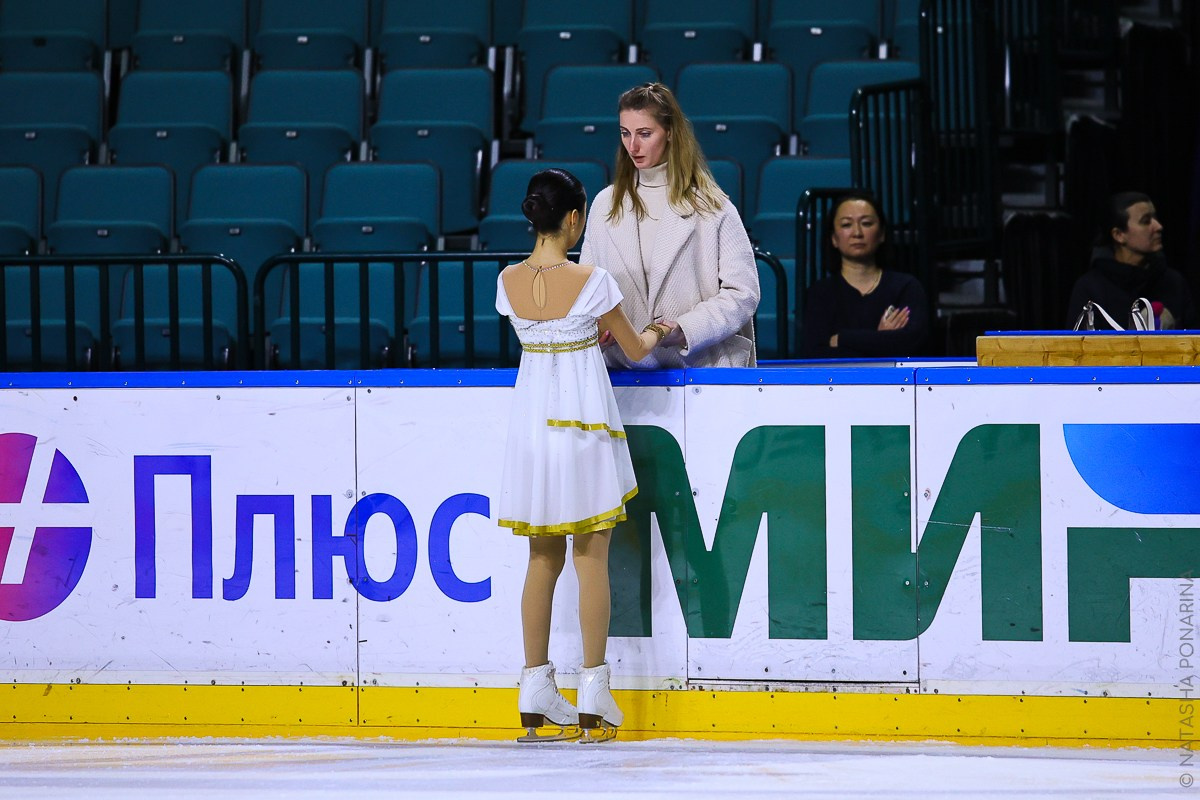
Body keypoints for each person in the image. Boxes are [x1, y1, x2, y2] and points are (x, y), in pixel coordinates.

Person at [495, 168, 677, 743]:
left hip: (533, 431)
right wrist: (659, 329)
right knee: (591, 557)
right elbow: (637, 349)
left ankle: (534, 687)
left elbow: (547, 335)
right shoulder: (594, 280)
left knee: (540, 558)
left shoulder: (506, 281)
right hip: (581, 428)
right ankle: (594, 691)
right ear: (574, 219)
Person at [579, 82, 760, 368]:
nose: (633, 146)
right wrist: (598, 328)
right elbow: (589, 291)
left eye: (644, 134)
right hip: (626, 373)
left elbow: (743, 293)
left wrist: (685, 329)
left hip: (701, 369)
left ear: (671, 133)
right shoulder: (605, 205)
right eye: (625, 133)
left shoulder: (712, 206)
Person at [800, 191, 928, 358]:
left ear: (882, 234)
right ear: (833, 238)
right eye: (846, 225)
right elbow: (815, 354)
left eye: (866, 223)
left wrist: (842, 338)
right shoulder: (820, 293)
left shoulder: (906, 287)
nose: (857, 233)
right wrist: (881, 340)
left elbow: (910, 344)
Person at [1066, 191, 1194, 330]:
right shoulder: (1090, 288)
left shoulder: (1174, 282)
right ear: (1119, 235)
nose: (1158, 226)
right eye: (1146, 221)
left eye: (1155, 218)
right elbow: (1079, 342)